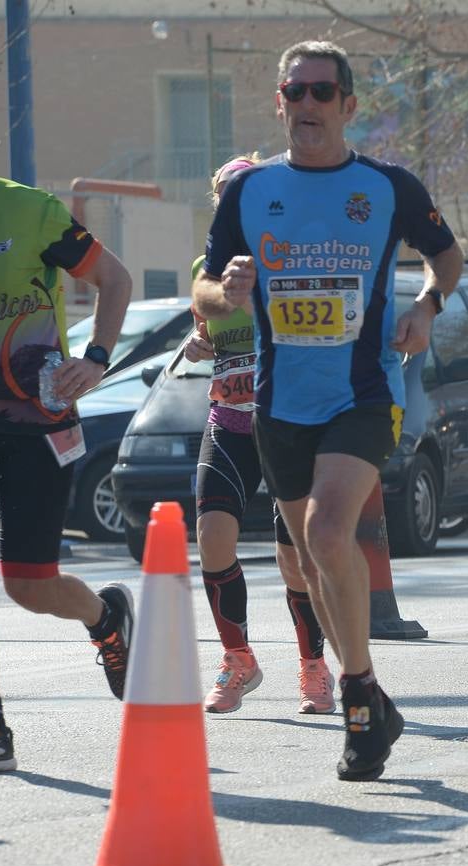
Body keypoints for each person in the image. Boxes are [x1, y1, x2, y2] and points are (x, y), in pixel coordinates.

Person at [192, 41, 464, 781]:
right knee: (314, 561)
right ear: (280, 103)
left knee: (326, 527)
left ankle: (354, 698)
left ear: (348, 106)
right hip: (279, 401)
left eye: (322, 92)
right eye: (295, 91)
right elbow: (204, 296)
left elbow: (447, 256)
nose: (308, 104)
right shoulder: (248, 193)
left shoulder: (387, 187)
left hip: (363, 394)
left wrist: (427, 306)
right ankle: (372, 691)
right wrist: (231, 292)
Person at [0, 80, 135, 775]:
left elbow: (115, 280)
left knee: (28, 583)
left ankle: (105, 619)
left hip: (37, 423)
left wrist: (98, 358)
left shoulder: (32, 210)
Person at [182, 155, 334, 716]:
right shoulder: (205, 265)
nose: (233, 204)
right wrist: (197, 344)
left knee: (295, 562)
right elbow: (204, 332)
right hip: (228, 421)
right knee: (212, 538)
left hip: (289, 426)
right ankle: (238, 658)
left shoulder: (292, 254)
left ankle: (314, 666)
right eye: (224, 195)